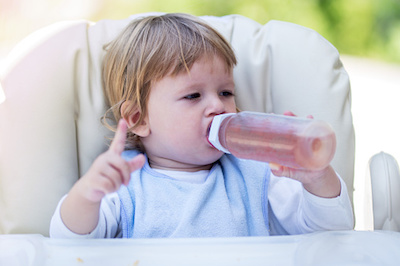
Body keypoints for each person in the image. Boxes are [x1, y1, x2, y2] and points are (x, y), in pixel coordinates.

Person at [50, 13, 354, 238]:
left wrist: (316, 178)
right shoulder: (125, 183)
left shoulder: (256, 173)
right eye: (193, 95)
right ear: (138, 119)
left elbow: (330, 234)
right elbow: (70, 241)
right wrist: (88, 193)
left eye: (226, 92)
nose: (218, 106)